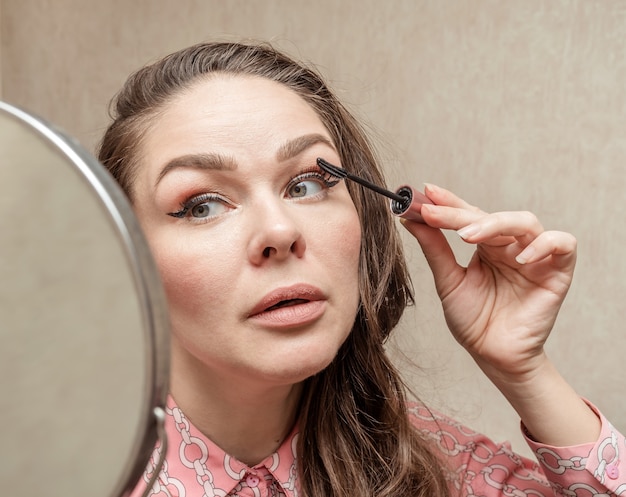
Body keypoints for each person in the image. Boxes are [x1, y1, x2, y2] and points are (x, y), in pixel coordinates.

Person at [97, 41, 624, 497]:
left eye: (305, 184)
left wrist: (524, 370)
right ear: (127, 256)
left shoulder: (427, 464)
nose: (280, 232)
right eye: (203, 205)